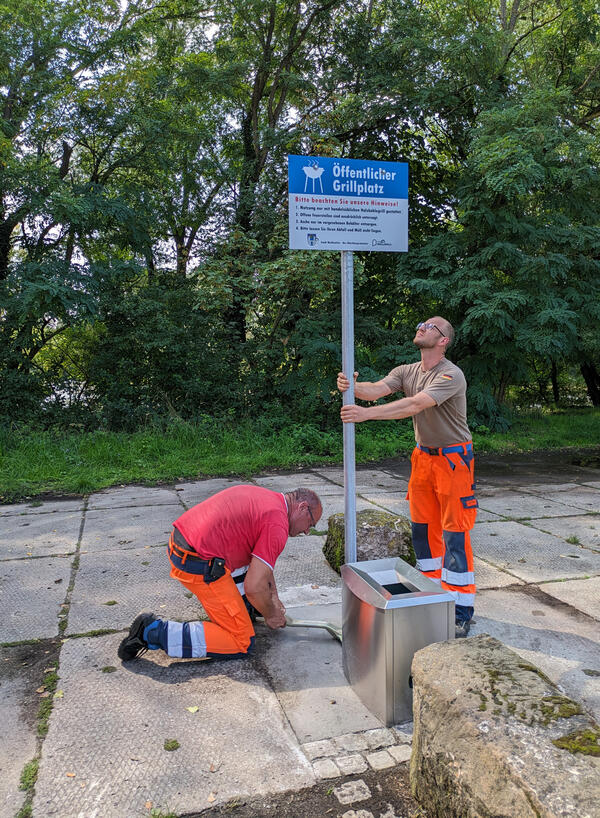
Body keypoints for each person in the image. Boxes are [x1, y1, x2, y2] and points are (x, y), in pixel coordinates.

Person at [338, 317, 477, 638]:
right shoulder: (407, 371)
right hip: (423, 458)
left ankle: (460, 610)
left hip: (454, 460)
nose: (422, 326)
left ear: (443, 340)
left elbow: (416, 404)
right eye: (421, 323)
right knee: (423, 532)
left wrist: (365, 414)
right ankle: (431, 598)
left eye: (430, 325)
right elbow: (375, 391)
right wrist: (352, 387)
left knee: (455, 534)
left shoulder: (450, 374)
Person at [118, 485, 323, 661]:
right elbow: (254, 586)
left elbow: (262, 565)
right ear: (303, 508)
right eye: (311, 524)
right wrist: (271, 615)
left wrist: (273, 597)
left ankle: (247, 608)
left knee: (254, 579)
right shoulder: (277, 525)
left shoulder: (271, 501)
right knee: (241, 641)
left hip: (184, 543)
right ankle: (152, 631)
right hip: (197, 563)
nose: (307, 531)